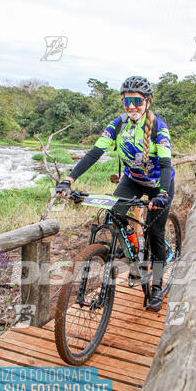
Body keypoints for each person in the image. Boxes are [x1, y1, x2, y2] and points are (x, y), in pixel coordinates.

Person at [56, 75, 175, 311]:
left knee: (156, 235)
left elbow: (164, 164)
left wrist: (161, 194)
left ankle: (158, 286)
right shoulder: (118, 125)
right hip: (132, 180)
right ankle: (133, 252)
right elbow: (93, 153)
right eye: (126, 101)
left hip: (159, 183)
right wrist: (69, 180)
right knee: (114, 214)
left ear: (147, 102)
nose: (131, 106)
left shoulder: (159, 127)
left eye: (137, 101)